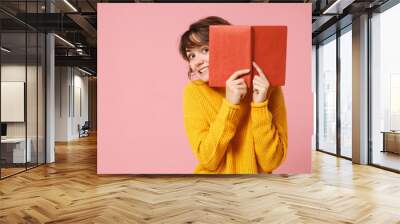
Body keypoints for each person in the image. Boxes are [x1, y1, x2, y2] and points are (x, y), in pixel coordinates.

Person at [179, 16, 288, 174]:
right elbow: (208, 160)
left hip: (257, 191)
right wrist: (230, 106)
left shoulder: (267, 87)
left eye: (205, 50)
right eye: (191, 55)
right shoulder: (194, 91)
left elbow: (271, 162)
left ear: (229, 46)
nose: (196, 62)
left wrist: (259, 106)